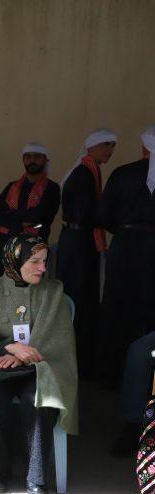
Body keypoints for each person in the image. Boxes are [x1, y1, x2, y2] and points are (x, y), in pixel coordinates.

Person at [0, 234, 78, 494]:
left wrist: (23, 357)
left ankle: (36, 477)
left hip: (40, 366)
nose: (42, 268)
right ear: (14, 260)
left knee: (38, 399)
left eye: (45, 261)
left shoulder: (53, 292)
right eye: (34, 261)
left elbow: (57, 340)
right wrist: (7, 348)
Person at [56, 129, 117, 379]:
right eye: (105, 145)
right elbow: (86, 213)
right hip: (78, 245)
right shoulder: (83, 174)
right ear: (91, 147)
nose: (109, 151)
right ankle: (78, 360)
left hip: (79, 242)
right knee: (79, 299)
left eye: (112, 146)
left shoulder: (90, 171)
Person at [98, 124, 155, 387]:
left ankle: (113, 375)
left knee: (118, 309)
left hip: (125, 249)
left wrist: (125, 230)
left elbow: (103, 215)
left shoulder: (122, 174)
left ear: (144, 146)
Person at [0, 143, 60, 241]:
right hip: (5, 240)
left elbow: (37, 217)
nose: (32, 160)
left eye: (37, 156)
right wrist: (21, 223)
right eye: (28, 157)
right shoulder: (12, 186)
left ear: (45, 160)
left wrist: (9, 213)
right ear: (23, 160)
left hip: (34, 243)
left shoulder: (52, 188)